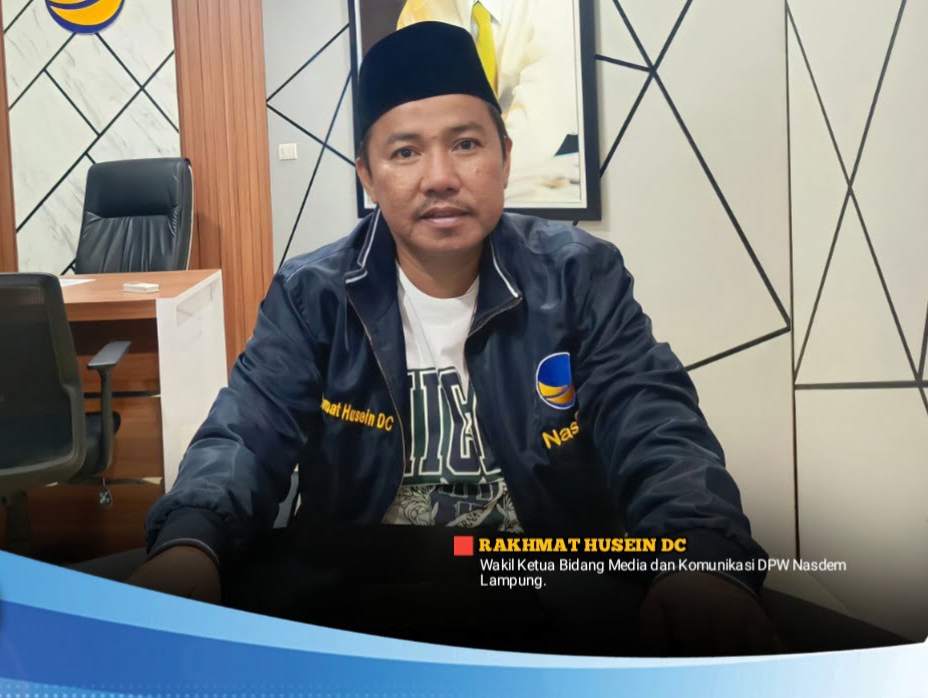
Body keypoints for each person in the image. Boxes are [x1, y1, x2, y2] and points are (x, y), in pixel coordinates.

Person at [129, 21, 780, 655]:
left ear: (505, 158)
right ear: (368, 176)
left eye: (465, 144)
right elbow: (247, 432)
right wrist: (190, 542)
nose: (439, 176)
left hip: (548, 589)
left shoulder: (578, 276)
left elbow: (652, 420)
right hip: (356, 599)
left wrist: (701, 560)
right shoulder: (313, 295)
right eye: (405, 152)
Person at [396, 0, 582, 202]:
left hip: (549, 167)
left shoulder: (557, 6)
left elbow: (542, 119)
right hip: (462, 177)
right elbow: (423, 119)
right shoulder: (419, 10)